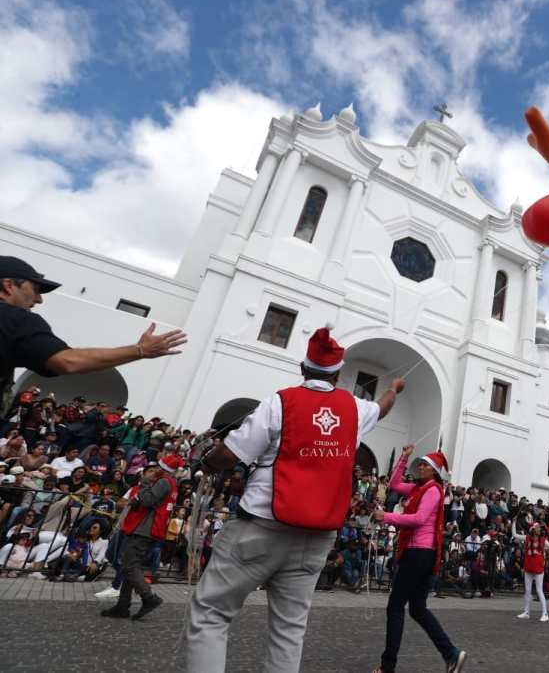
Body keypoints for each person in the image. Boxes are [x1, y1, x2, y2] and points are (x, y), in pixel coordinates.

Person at [186, 326, 403, 673]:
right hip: (316, 538)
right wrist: (393, 389)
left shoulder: (281, 401)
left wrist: (207, 461)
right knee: (289, 630)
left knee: (211, 613)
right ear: (339, 374)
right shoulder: (354, 408)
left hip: (262, 525)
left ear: (304, 368)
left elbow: (232, 454)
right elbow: (383, 407)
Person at [0, 255, 187, 399]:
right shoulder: (17, 319)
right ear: (8, 285)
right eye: (36, 289)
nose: (39, 299)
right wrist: (140, 350)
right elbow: (68, 362)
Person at [372, 446, 467, 673]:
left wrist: (386, 517)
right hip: (421, 554)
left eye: (425, 465)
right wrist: (403, 458)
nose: (421, 466)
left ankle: (387, 666)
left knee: (395, 607)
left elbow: (419, 518)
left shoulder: (433, 490)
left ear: (434, 471)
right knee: (417, 609)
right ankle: (451, 654)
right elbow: (394, 484)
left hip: (418, 553)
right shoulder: (417, 488)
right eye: (420, 463)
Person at [100, 455, 181, 620]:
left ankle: (149, 597)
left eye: (158, 466)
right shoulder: (170, 482)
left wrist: (144, 482)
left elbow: (147, 500)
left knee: (129, 566)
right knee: (128, 566)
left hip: (144, 528)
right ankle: (123, 606)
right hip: (147, 527)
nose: (155, 470)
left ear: (163, 468)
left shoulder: (164, 481)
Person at [514, 520, 549, 622]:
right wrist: (514, 522)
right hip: (528, 568)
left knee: (539, 591)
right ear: (533, 529)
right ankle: (526, 612)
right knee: (528, 591)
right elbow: (514, 534)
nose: (539, 529)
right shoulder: (527, 538)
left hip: (538, 569)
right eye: (537, 527)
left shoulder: (543, 539)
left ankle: (545, 614)